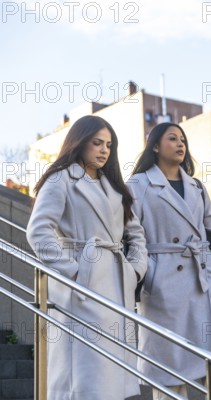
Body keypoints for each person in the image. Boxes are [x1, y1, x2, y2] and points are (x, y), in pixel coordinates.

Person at [26, 115, 148, 400]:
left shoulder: (116, 187)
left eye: (108, 145)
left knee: (112, 370)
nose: (104, 150)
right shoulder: (61, 179)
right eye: (97, 143)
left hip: (117, 284)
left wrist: (136, 271)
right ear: (79, 142)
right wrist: (74, 272)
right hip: (80, 287)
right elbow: (38, 232)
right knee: (82, 373)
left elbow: (136, 234)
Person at [128, 123, 211, 400]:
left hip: (203, 281)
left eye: (183, 140)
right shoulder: (138, 184)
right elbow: (129, 233)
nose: (180, 144)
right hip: (163, 285)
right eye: (172, 138)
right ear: (155, 146)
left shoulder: (196, 186)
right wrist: (146, 273)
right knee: (169, 372)